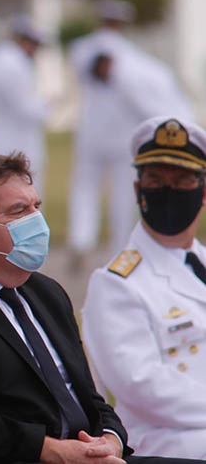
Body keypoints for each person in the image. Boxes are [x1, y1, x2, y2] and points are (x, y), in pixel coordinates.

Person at [0, 152, 204, 463]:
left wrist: (111, 440)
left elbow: (89, 399)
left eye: (37, 206)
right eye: (19, 211)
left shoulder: (46, 294)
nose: (37, 221)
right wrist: (48, 450)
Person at [82, 116, 206, 458]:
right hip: (169, 445)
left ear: (203, 192)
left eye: (181, 181)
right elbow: (142, 386)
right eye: (155, 180)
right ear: (138, 190)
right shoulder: (115, 284)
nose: (167, 191)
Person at [67, 0, 193, 268]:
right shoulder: (133, 59)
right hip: (121, 135)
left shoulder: (82, 49)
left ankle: (81, 238)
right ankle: (118, 247)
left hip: (91, 132)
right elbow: (148, 101)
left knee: (85, 187)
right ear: (123, 22)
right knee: (122, 194)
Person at [0, 14, 50, 194]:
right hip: (20, 140)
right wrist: (47, 107)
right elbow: (25, 108)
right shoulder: (15, 64)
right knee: (25, 196)